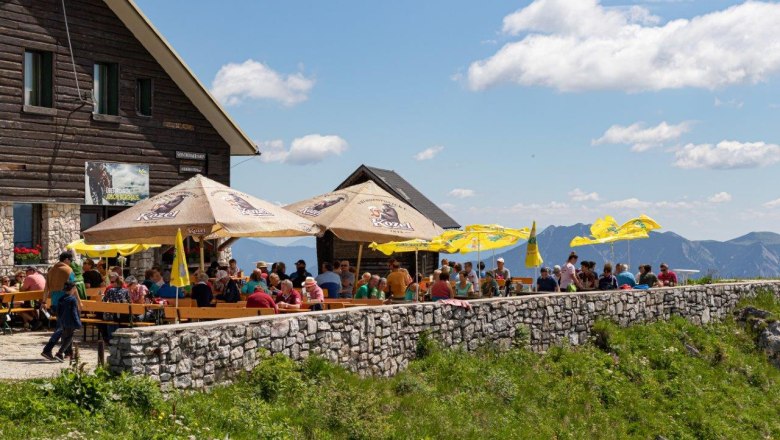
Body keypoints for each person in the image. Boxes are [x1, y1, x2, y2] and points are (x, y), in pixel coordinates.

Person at [42, 281, 81, 362]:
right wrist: (78, 323)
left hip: (62, 321)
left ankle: (66, 354)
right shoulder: (72, 299)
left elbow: (58, 312)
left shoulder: (61, 299)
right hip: (70, 322)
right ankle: (60, 353)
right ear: (73, 289)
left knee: (66, 337)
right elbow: (74, 312)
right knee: (69, 338)